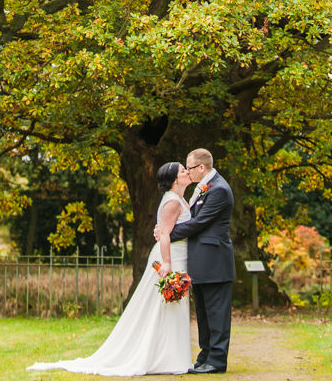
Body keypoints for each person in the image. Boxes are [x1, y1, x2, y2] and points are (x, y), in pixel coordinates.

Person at [27, 161, 193, 375]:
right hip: (170, 257)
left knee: (172, 307)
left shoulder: (180, 199)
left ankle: (170, 356)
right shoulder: (172, 202)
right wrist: (167, 264)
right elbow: (164, 235)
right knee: (166, 305)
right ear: (174, 179)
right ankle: (164, 358)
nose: (186, 172)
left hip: (178, 255)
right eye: (182, 170)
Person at [157, 148, 235, 374]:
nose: (187, 173)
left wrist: (167, 233)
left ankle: (217, 361)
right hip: (201, 261)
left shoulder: (219, 189)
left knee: (217, 314)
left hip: (215, 262)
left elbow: (199, 223)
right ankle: (205, 356)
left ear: (201, 168)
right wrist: (165, 229)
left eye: (189, 168)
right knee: (203, 313)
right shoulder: (203, 188)